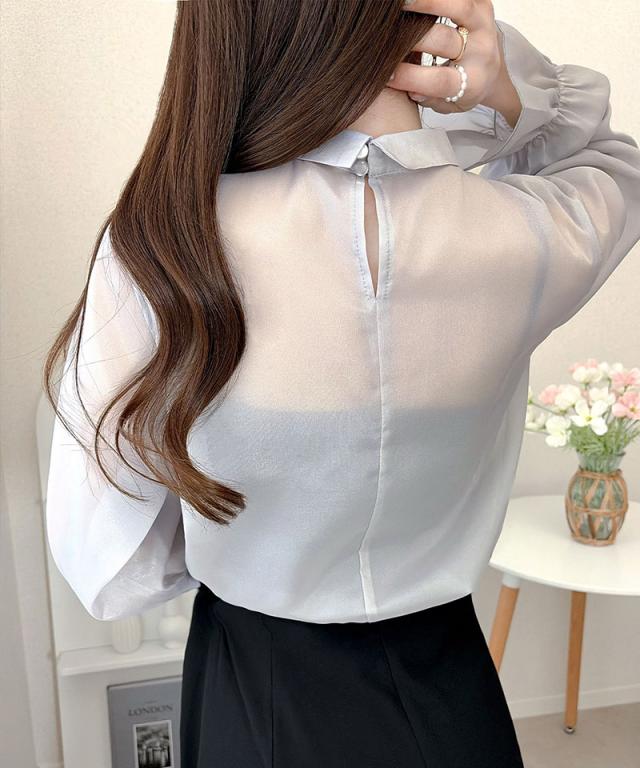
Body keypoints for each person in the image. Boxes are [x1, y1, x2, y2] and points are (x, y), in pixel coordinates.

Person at [43, 1, 640, 765]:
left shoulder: (166, 246)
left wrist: (253, 542)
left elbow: (111, 569)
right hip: (448, 691)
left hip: (255, 684)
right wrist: (494, 82)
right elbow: (603, 152)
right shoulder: (523, 234)